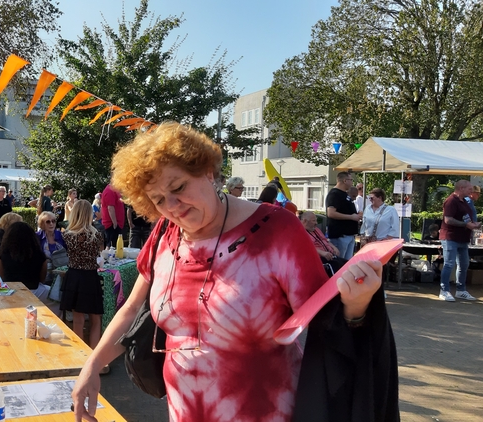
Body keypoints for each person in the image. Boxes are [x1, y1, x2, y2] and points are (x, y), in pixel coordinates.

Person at [71, 122, 396, 422]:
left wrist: (357, 304)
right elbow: (130, 309)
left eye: (179, 186)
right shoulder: (163, 236)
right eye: (158, 200)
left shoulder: (277, 230)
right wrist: (93, 365)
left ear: (208, 171)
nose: (173, 205)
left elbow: (327, 324)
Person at [61, 200, 104, 349]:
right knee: (96, 319)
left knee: (78, 320)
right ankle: (94, 356)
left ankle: (79, 355)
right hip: (90, 277)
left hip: (73, 276)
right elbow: (100, 254)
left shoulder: (67, 235)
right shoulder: (96, 235)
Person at [439, 180, 481, 302]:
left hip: (462, 238)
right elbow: (448, 220)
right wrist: (466, 225)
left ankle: (461, 290)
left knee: (464, 264)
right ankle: (444, 290)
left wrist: (473, 224)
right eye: (469, 189)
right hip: (450, 237)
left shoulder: (464, 201)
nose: (471, 191)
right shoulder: (451, 201)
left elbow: (466, 217)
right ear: (461, 188)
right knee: (449, 263)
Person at [0, 222, 51, 301]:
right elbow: (42, 279)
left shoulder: (3, 254)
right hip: (35, 291)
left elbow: (2, 276)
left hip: (9, 291)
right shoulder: (39, 254)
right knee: (56, 297)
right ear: (32, 237)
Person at [326, 172, 362, 259]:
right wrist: (351, 217)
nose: (352, 182)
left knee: (347, 263)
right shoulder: (334, 194)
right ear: (345, 180)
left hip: (349, 235)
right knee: (340, 262)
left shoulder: (344, 194)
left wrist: (357, 215)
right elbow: (331, 213)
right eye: (351, 180)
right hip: (340, 236)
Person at [37, 211, 67, 282]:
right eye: (48, 222)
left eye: (53, 221)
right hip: (43, 273)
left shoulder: (62, 235)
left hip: (61, 272)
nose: (51, 224)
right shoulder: (37, 236)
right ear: (42, 224)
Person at [101, 183, 125, 248]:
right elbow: (110, 207)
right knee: (112, 247)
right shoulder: (109, 190)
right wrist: (115, 223)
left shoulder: (115, 190)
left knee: (118, 247)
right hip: (112, 225)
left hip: (117, 224)